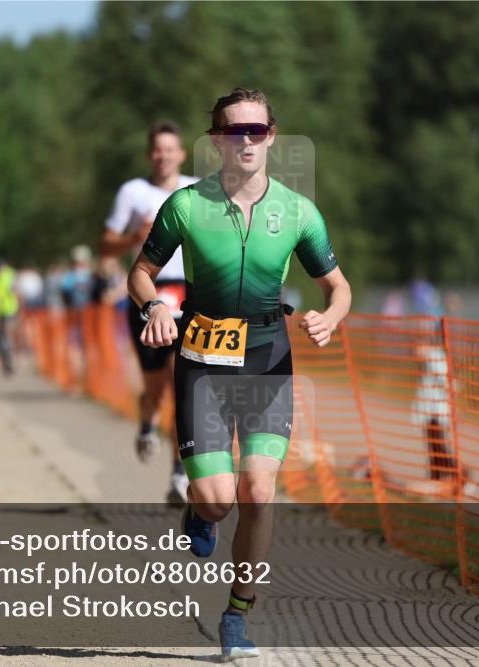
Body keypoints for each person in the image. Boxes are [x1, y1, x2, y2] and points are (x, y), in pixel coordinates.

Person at [127, 88, 351, 660]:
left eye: (255, 129)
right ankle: (200, 511)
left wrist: (331, 316)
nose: (245, 139)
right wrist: (154, 306)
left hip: (268, 362)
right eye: (233, 130)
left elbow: (337, 285)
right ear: (216, 141)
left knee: (259, 491)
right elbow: (142, 273)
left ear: (272, 134)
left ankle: (236, 617)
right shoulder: (185, 205)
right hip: (202, 362)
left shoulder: (298, 211)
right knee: (220, 501)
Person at [100, 121, 199, 507]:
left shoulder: (197, 191)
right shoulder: (133, 192)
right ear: (149, 155)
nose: (163, 156)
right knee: (156, 390)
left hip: (189, 294)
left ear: (181, 154)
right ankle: (146, 423)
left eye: (169, 149)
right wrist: (132, 237)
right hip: (147, 294)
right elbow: (106, 247)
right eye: (156, 150)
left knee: (183, 387)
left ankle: (178, 475)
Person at [0, 258, 19, 376]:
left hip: (9, 310)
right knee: (4, 336)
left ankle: (8, 359)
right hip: (4, 311)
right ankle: (6, 359)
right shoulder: (7, 275)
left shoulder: (4, 276)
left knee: (6, 336)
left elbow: (13, 291)